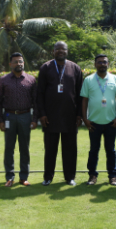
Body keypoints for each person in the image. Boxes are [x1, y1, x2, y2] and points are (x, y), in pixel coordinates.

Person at [37, 41, 83, 186]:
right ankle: (48, 177)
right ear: (53, 51)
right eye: (58, 49)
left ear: (67, 51)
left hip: (70, 117)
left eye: (63, 49)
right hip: (50, 117)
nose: (60, 51)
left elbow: (80, 94)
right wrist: (42, 114)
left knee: (70, 149)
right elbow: (40, 94)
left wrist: (79, 114)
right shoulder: (46, 68)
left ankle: (70, 177)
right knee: (50, 149)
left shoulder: (75, 68)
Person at [81, 54, 116, 186]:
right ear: (95, 64)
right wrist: (85, 119)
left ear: (108, 64)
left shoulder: (115, 79)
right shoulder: (88, 80)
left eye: (104, 62)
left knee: (111, 150)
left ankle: (112, 176)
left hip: (111, 122)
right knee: (94, 150)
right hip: (94, 122)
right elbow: (84, 100)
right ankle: (92, 175)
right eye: (99, 62)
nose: (102, 64)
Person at [0, 52, 38, 187]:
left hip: (25, 116)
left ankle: (23, 177)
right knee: (9, 148)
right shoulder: (4, 80)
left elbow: (36, 101)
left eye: (20, 61)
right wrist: (0, 120)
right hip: (9, 116)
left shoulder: (31, 79)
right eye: (15, 61)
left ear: (23, 63)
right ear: (10, 64)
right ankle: (10, 177)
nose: (18, 64)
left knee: (24, 148)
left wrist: (34, 119)